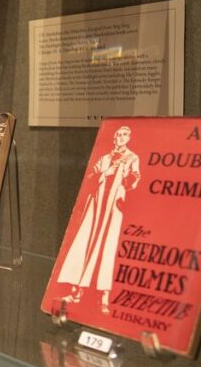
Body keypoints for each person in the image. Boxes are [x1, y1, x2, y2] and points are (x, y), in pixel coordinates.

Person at [56, 126, 141, 313]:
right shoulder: (105, 158)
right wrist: (106, 172)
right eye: (118, 135)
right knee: (86, 242)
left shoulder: (132, 158)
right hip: (96, 203)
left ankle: (104, 296)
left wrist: (122, 177)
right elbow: (90, 176)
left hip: (114, 205)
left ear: (128, 138)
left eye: (124, 135)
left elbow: (135, 178)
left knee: (108, 246)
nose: (121, 137)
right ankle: (77, 291)